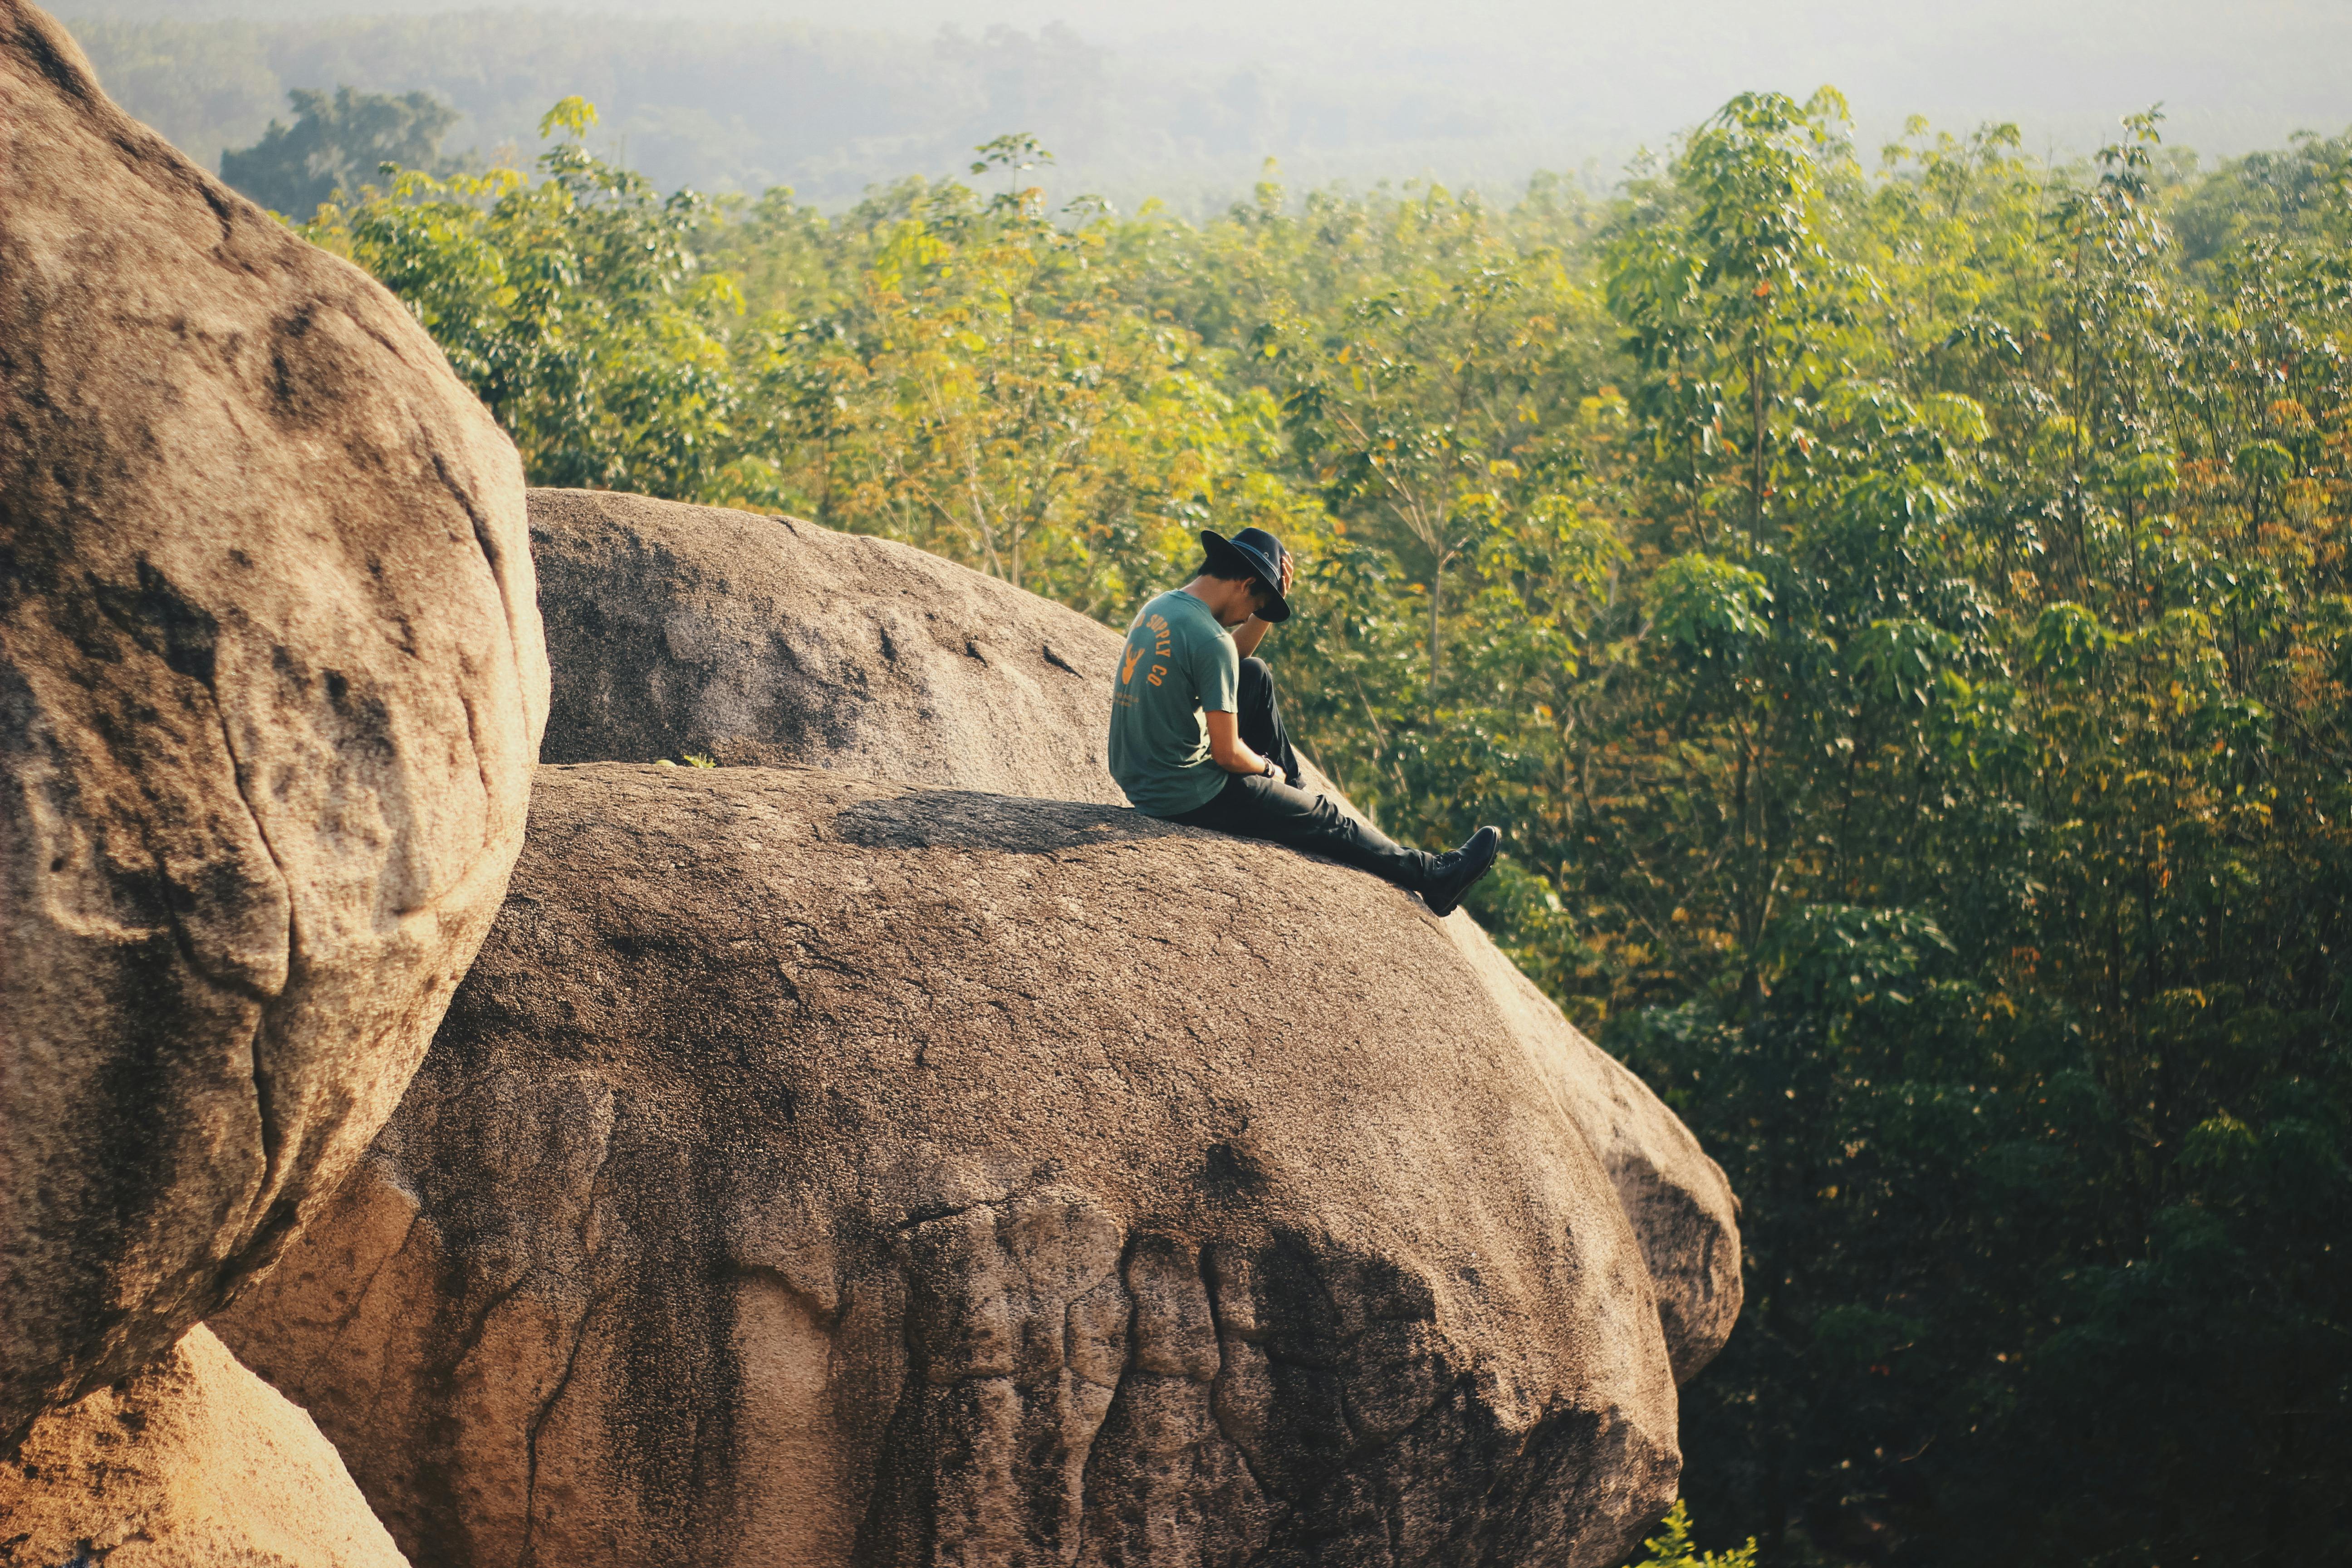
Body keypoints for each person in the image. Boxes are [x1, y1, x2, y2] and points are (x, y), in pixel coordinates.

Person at [1109, 526, 1501, 916]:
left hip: (1142, 772)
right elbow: (1227, 754)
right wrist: (1268, 769)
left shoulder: (1163, 607)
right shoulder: (1210, 640)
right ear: (1246, 584)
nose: (1251, 616)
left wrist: (1270, 602)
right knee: (1326, 818)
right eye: (1257, 605)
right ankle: (1433, 876)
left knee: (1254, 673)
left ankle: (1294, 800)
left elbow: (1228, 660)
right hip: (1184, 794)